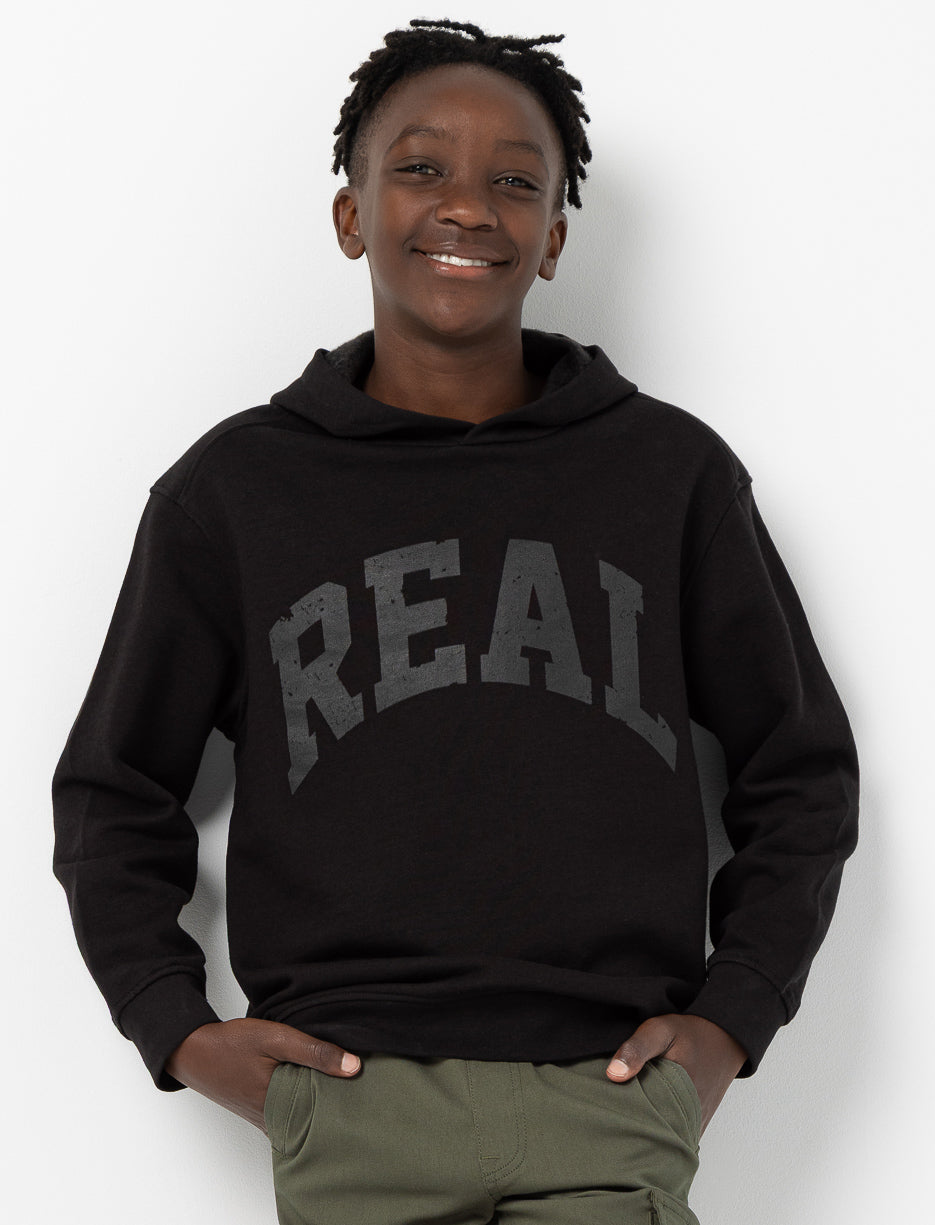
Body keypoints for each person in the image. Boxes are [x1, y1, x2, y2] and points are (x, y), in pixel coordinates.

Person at [51, 17, 860, 1225]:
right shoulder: (235, 493)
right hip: (349, 1096)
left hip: (609, 1091)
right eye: (421, 167)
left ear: (554, 238)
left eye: (515, 182)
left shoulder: (668, 475)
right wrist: (173, 1026)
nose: (468, 206)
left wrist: (731, 1018)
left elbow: (799, 772)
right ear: (351, 215)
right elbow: (112, 791)